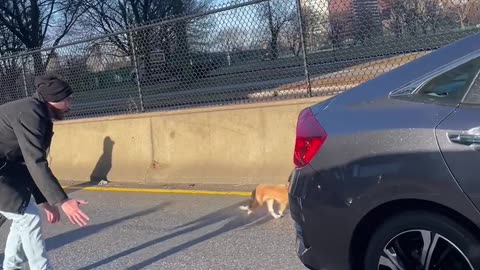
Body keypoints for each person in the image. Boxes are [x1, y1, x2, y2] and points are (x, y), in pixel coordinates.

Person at [0, 74, 90, 270]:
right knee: (27, 216)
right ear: (53, 100)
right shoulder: (30, 113)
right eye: (67, 100)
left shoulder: (38, 112)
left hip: (6, 168)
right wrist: (63, 201)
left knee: (23, 214)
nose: (70, 106)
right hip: (4, 170)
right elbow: (34, 161)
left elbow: (26, 161)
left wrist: (45, 200)